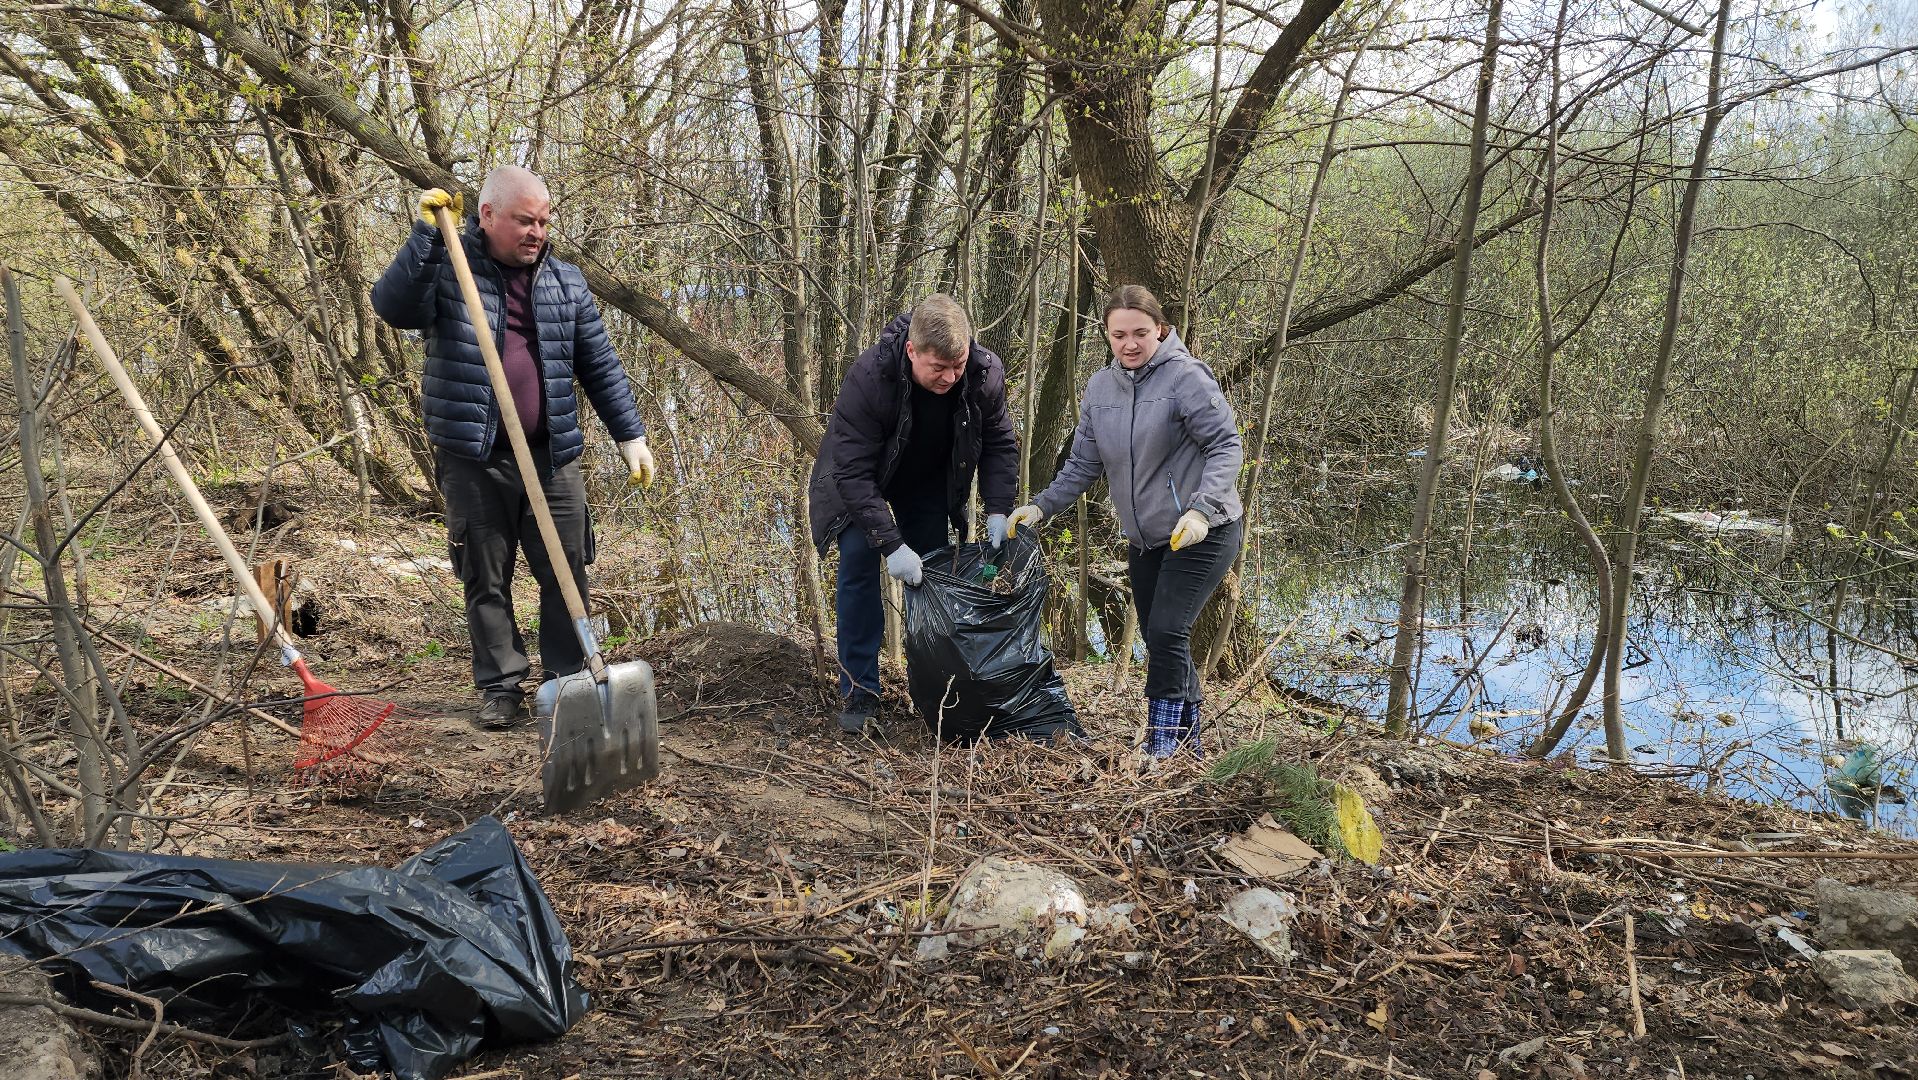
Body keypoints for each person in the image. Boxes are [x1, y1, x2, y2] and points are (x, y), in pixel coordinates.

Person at [371, 167, 658, 729]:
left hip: (552, 457)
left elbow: (600, 365)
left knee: (566, 571)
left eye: (544, 221)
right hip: (474, 457)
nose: (537, 233)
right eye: (525, 221)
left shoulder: (565, 282)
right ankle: (500, 686)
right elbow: (394, 307)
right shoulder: (449, 267)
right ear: (487, 215)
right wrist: (426, 236)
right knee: (484, 576)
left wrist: (631, 435)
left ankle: (569, 682)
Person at [1009, 286, 1244, 757]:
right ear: (1107, 335)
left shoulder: (1187, 378)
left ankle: (1162, 742)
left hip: (1204, 530)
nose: (1130, 344)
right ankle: (1190, 743)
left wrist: (1201, 509)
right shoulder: (1101, 388)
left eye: (1140, 332)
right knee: (1163, 637)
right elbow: (1083, 464)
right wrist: (1041, 506)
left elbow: (1226, 446)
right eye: (1119, 335)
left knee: (1166, 630)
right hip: (1146, 538)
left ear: (1160, 328)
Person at [808, 295, 1020, 735]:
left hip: (926, 480)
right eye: (938, 367)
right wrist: (890, 545)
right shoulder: (870, 377)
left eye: (956, 366)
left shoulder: (983, 374)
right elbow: (851, 472)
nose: (950, 377)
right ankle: (860, 691)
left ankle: (936, 684)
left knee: (933, 574)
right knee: (858, 563)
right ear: (911, 350)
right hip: (862, 479)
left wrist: (999, 508)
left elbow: (1000, 443)